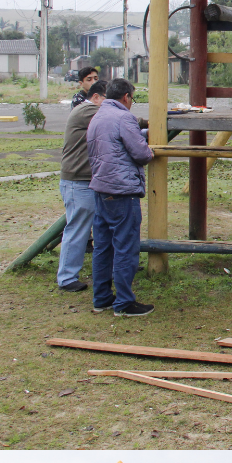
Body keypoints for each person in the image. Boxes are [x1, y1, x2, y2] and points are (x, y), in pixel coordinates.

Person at [86, 77, 155, 318]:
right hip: (122, 191)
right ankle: (124, 302)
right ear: (126, 97)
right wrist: (151, 149)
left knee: (103, 248)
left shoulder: (99, 116)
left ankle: (102, 298)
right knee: (126, 247)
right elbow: (141, 153)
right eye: (132, 98)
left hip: (101, 189)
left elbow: (115, 140)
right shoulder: (124, 117)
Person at [57, 79, 107, 293]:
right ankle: (67, 277)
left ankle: (109, 267)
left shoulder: (91, 111)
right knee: (77, 230)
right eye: (109, 100)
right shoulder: (87, 110)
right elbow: (116, 119)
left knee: (99, 227)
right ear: (95, 97)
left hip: (87, 179)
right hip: (78, 180)